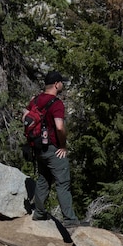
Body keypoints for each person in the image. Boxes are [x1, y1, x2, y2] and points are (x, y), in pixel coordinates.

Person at [23, 74, 79, 227]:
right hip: (53, 149)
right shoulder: (56, 103)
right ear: (56, 84)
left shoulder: (34, 100)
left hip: (38, 148)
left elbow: (25, 117)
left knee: (43, 180)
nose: (63, 85)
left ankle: (39, 213)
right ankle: (70, 219)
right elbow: (59, 127)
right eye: (62, 82)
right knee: (63, 183)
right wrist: (63, 146)